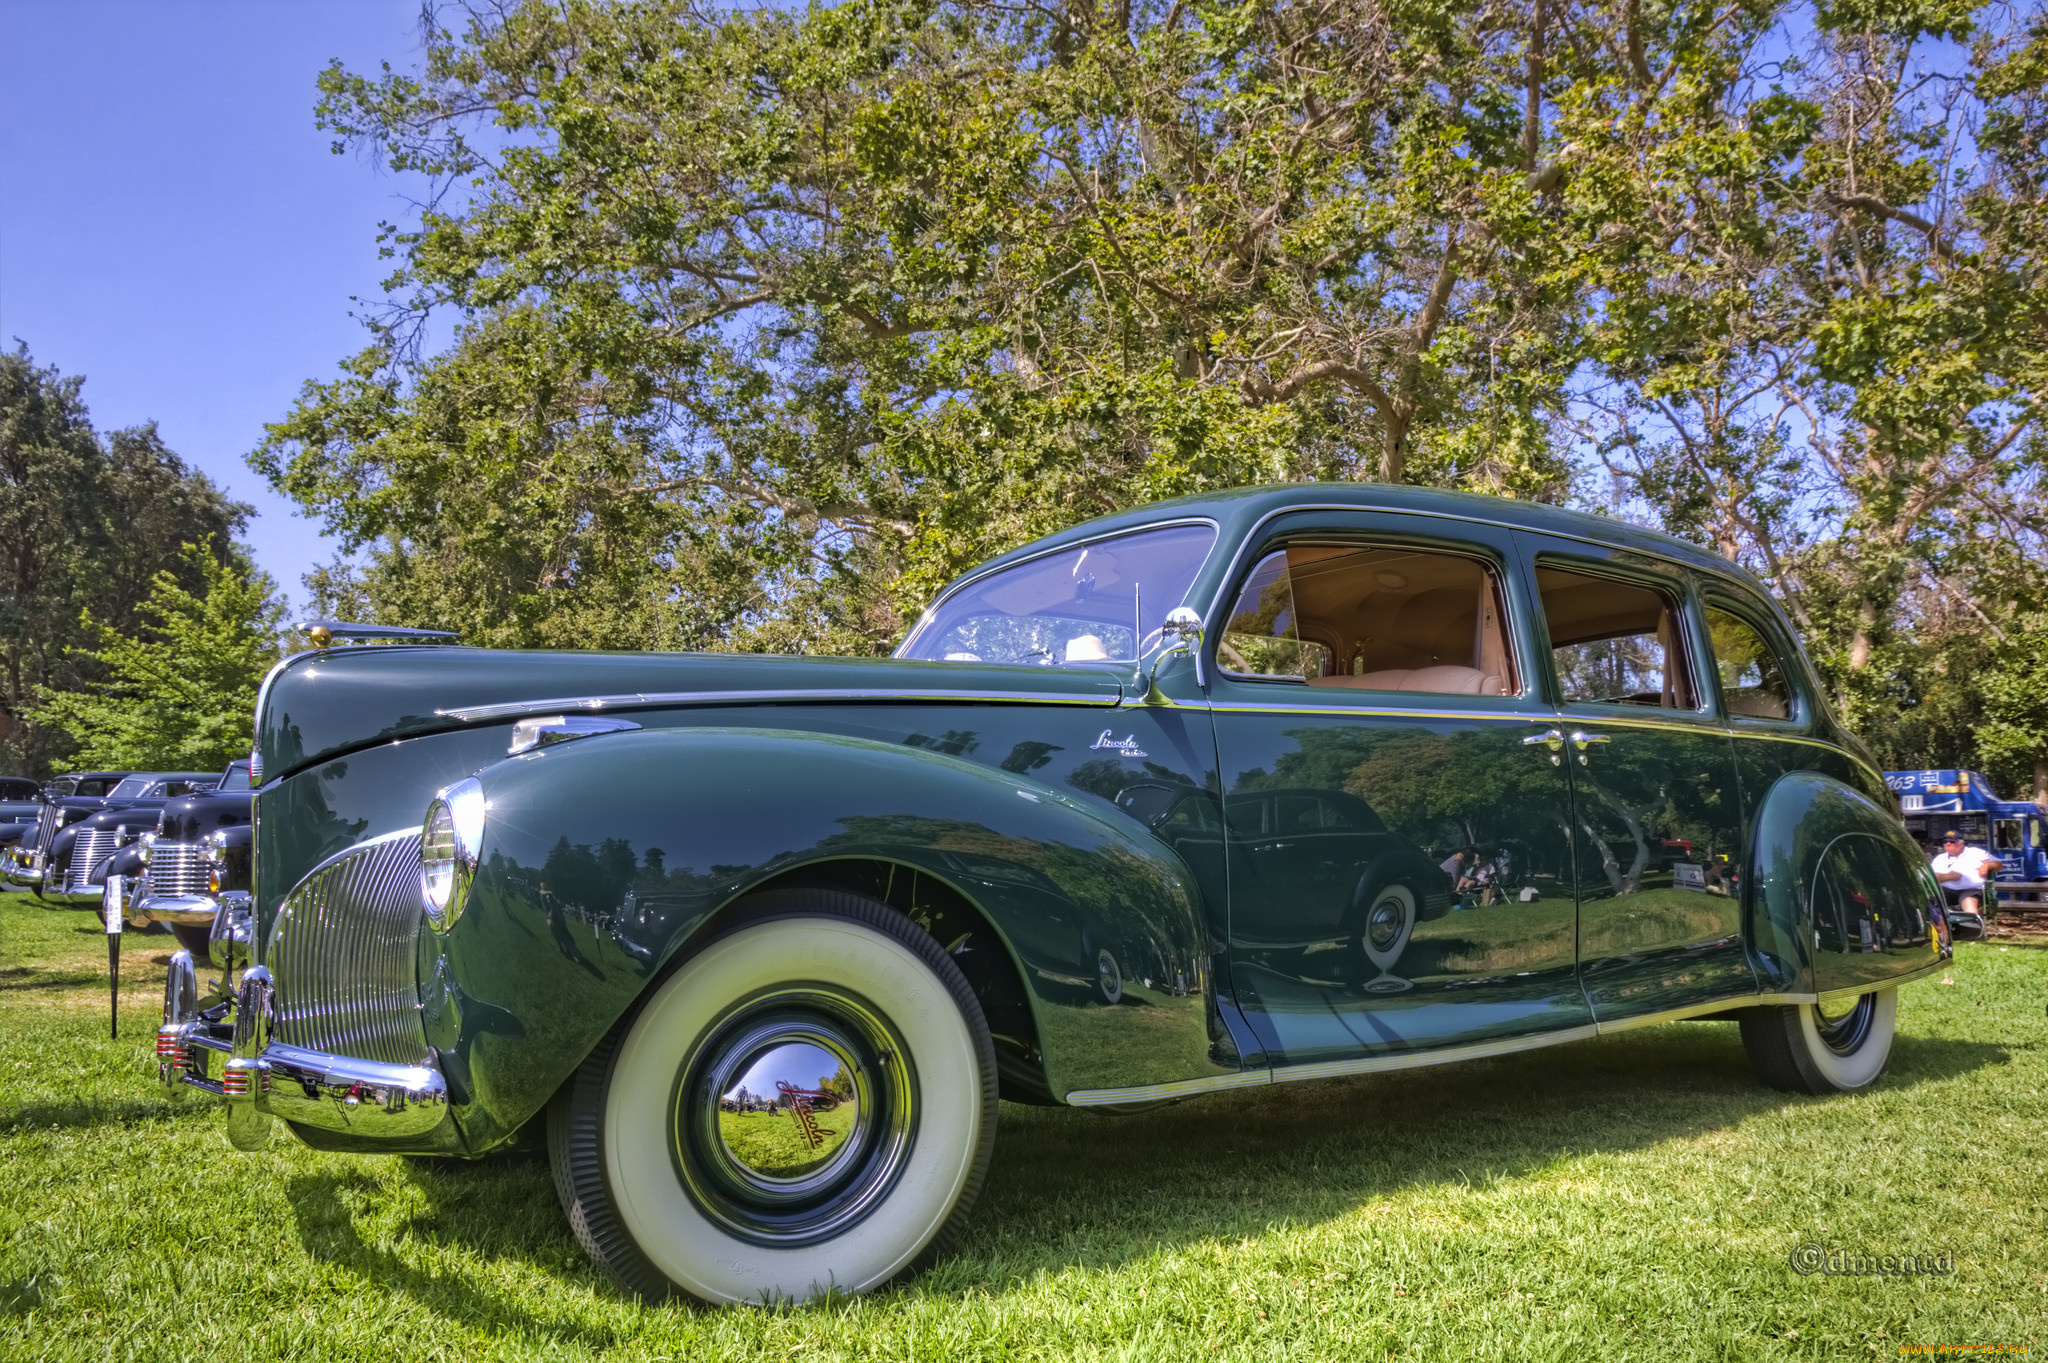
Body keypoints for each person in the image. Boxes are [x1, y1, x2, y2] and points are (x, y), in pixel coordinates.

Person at [1930, 829, 2001, 921]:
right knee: (1931, 901)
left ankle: (1974, 927)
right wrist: (1949, 877)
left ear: (1961, 843)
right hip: (1946, 891)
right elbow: (1932, 877)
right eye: (1945, 841)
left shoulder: (1976, 853)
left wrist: (1987, 865)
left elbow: (1998, 864)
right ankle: (1937, 929)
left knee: (1969, 901)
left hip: (1971, 889)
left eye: (1952, 841)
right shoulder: (1939, 858)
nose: (1948, 844)